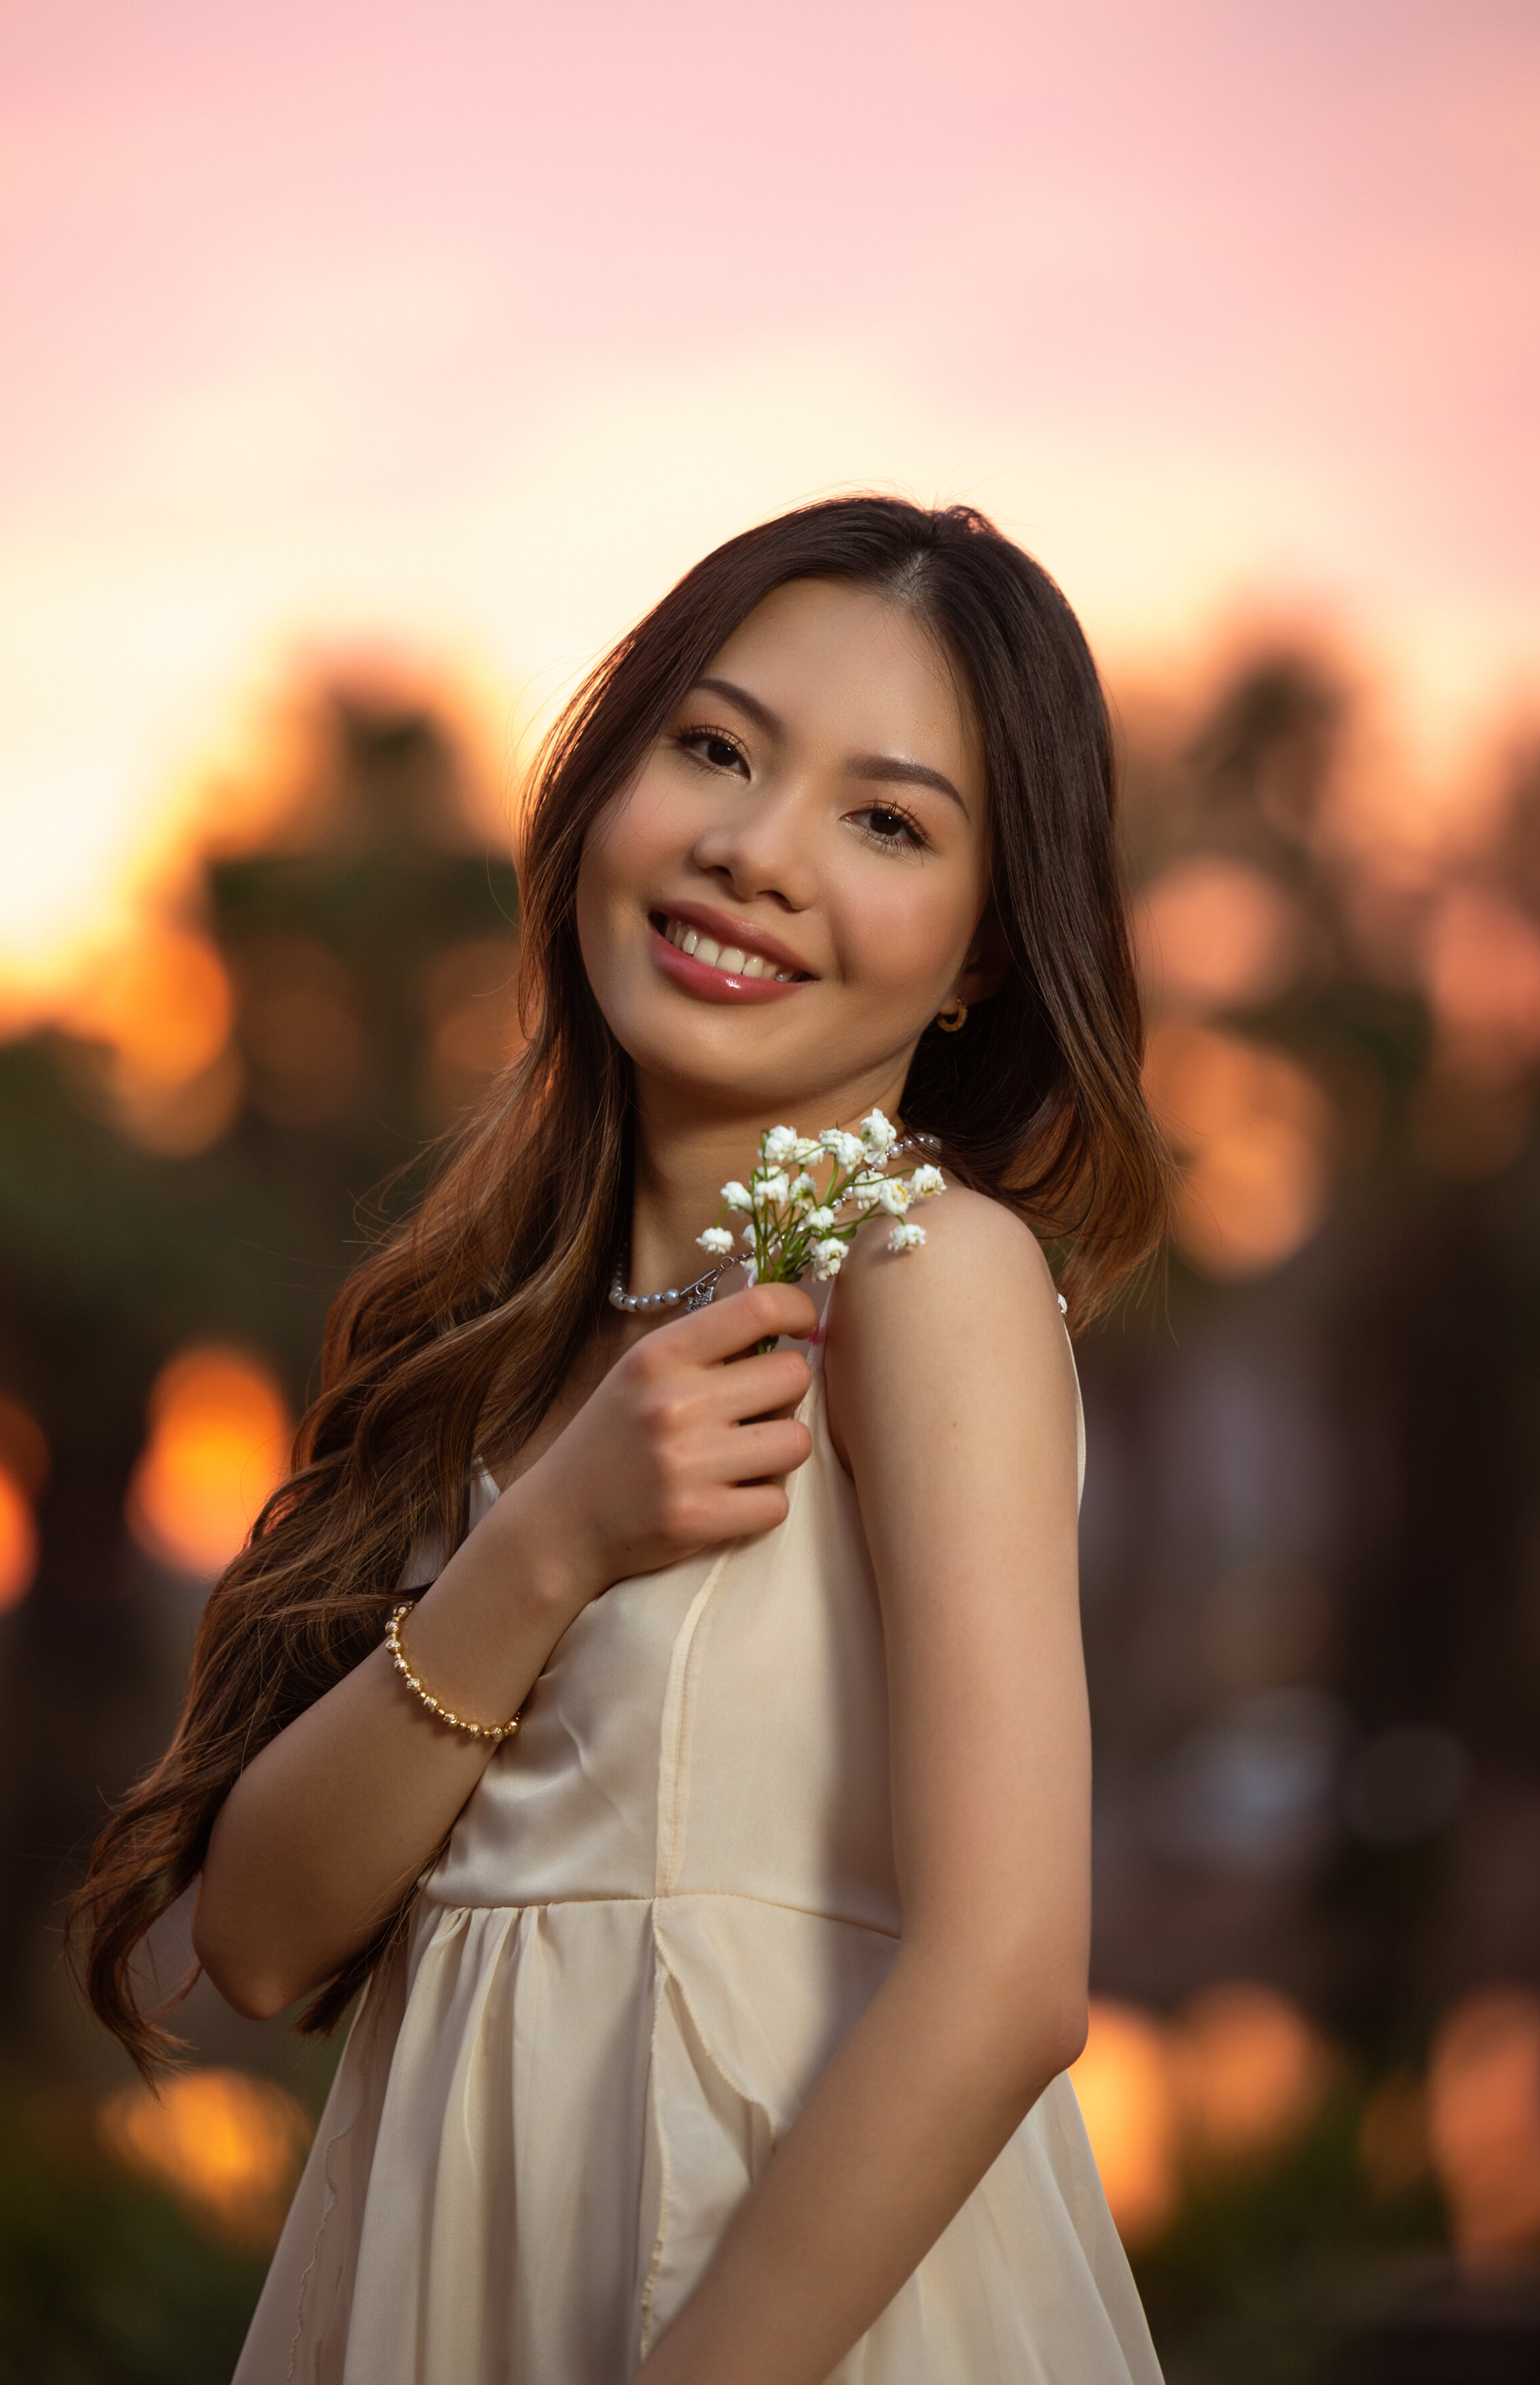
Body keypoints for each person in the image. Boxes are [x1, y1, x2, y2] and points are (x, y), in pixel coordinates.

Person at [73, 495, 1172, 2383]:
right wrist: (546, 1543)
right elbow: (257, 1944)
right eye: (716, 750)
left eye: (885, 819)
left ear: (982, 952)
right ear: (606, 783)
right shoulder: (490, 1354)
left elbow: (1003, 1984)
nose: (753, 851)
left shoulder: (922, 1276)